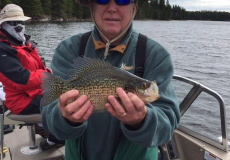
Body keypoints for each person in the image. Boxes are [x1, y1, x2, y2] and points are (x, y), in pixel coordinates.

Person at [41, 0, 180, 159]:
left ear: (133, 8)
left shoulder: (155, 55)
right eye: (102, 0)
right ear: (92, 7)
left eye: (122, 0)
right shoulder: (69, 49)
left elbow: (168, 125)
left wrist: (141, 121)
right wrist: (66, 118)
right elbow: (49, 117)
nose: (112, 8)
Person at [0, 4, 63, 150]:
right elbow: (23, 80)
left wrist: (49, 73)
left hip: (35, 93)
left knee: (68, 93)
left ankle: (45, 127)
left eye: (21, 22)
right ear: (3, 25)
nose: (18, 26)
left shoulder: (23, 43)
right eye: (13, 23)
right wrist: (48, 75)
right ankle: (55, 139)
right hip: (20, 100)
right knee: (63, 101)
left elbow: (38, 69)